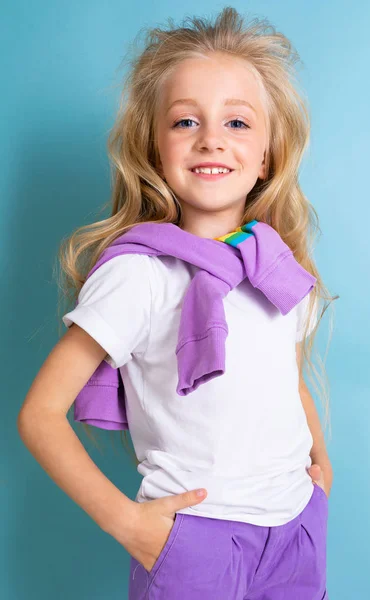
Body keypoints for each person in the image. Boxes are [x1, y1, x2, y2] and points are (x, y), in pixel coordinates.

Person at [17, 6, 337, 599]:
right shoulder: (140, 274)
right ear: (156, 147)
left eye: (238, 123)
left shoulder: (278, 267)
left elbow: (287, 380)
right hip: (196, 540)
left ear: (266, 155)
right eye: (186, 121)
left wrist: (321, 470)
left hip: (296, 528)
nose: (212, 137)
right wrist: (131, 527)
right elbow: (38, 415)